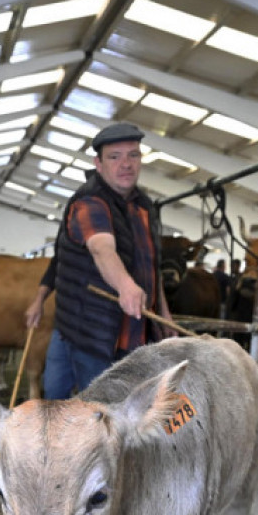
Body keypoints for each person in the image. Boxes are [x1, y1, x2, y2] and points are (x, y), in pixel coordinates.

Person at [32, 121, 172, 399]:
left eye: (133, 155)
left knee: (119, 401)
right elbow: (101, 248)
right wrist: (126, 286)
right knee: (96, 406)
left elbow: (150, 268)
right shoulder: (90, 202)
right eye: (115, 157)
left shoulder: (145, 206)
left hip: (130, 330)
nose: (126, 164)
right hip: (91, 330)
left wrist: (164, 313)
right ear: (98, 163)